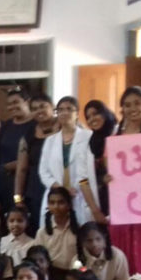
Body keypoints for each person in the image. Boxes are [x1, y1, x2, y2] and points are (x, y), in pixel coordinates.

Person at [108, 86, 141, 277]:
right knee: (125, 254)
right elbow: (110, 170)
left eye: (138, 103)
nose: (133, 108)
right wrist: (108, 177)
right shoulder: (115, 138)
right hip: (124, 207)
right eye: (127, 105)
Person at [38, 96, 102, 227]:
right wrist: (61, 189)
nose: (64, 113)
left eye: (69, 109)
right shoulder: (50, 141)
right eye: (60, 110)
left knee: (83, 231)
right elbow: (43, 171)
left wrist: (74, 189)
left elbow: (87, 171)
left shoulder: (88, 136)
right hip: (56, 196)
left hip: (81, 194)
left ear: (77, 113)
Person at [14, 94, 59, 234]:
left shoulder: (67, 127)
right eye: (34, 109)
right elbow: (21, 169)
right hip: (36, 189)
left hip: (62, 184)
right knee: (40, 229)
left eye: (42, 106)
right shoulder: (28, 135)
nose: (39, 111)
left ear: (52, 106)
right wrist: (17, 197)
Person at [0, 87, 34, 210]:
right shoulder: (6, 126)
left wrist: (14, 165)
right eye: (9, 104)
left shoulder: (36, 125)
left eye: (16, 102)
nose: (12, 107)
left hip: (28, 184)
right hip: (5, 185)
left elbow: (38, 155)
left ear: (27, 102)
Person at [83, 100, 116, 216]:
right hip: (100, 202)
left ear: (104, 113)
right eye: (88, 117)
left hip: (125, 196)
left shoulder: (119, 133)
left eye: (95, 113)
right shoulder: (89, 143)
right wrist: (102, 179)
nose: (92, 119)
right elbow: (82, 179)